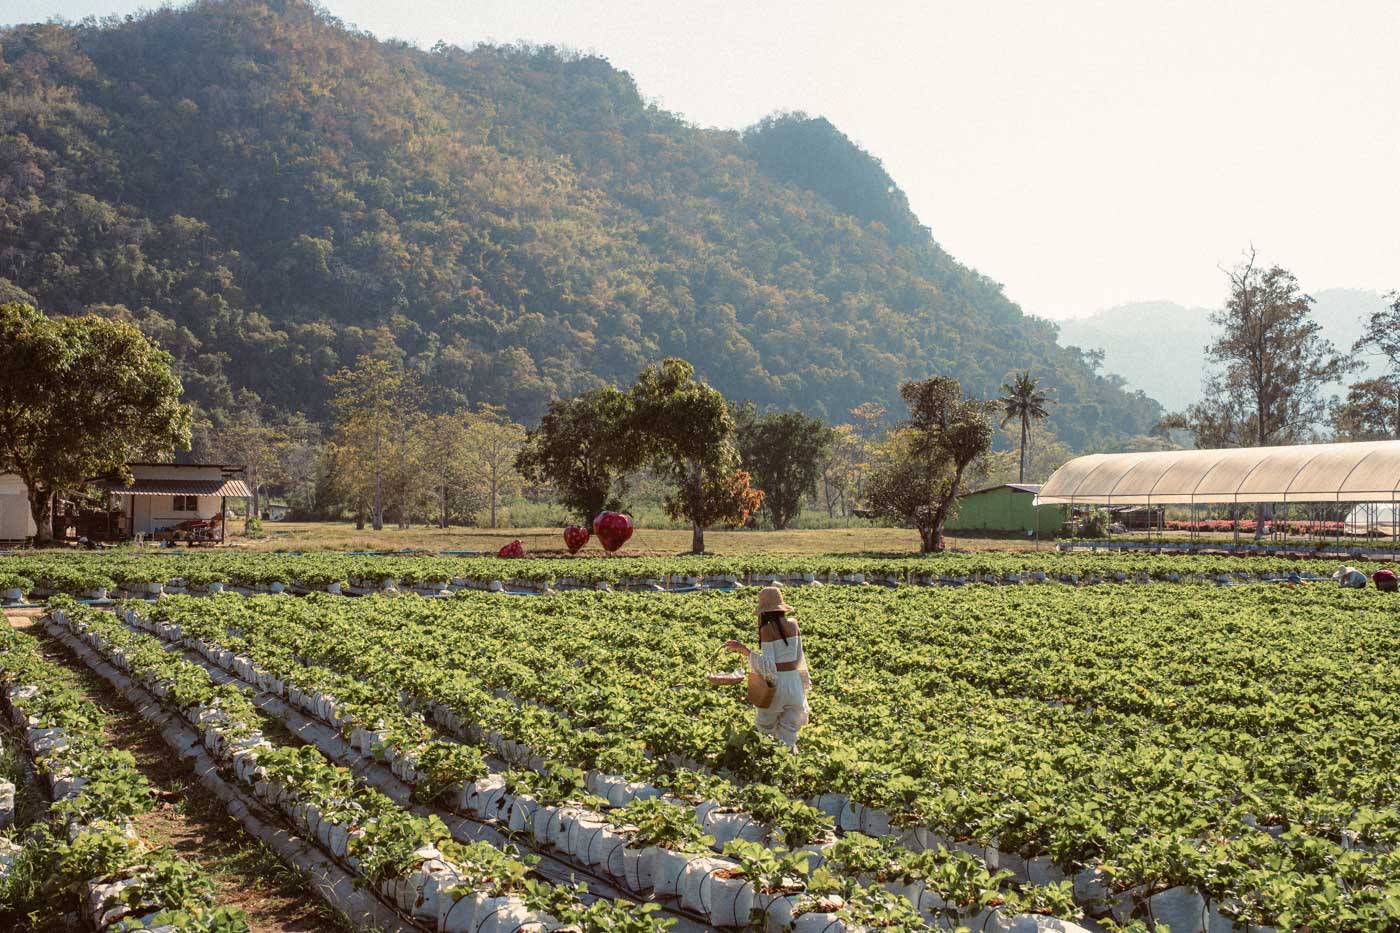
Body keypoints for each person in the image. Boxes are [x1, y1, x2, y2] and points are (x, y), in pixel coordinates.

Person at [725, 586, 811, 751]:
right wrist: (798, 679)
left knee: (766, 727)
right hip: (794, 683)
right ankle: (790, 766)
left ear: (764, 611)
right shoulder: (793, 624)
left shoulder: (766, 630)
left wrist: (745, 651)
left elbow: (769, 666)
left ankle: (769, 764)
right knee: (789, 730)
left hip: (778, 685)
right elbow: (799, 656)